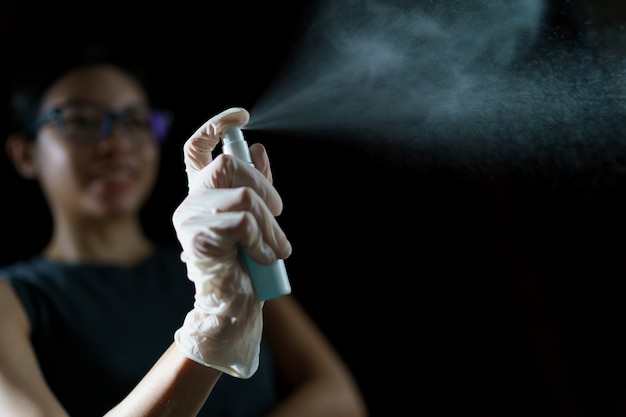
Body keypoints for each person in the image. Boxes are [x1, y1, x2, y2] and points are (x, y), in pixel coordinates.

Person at [0, 50, 368, 417]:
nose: (117, 143)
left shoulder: (222, 264)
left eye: (138, 121)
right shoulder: (14, 298)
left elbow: (339, 399)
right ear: (24, 154)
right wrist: (208, 329)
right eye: (80, 121)